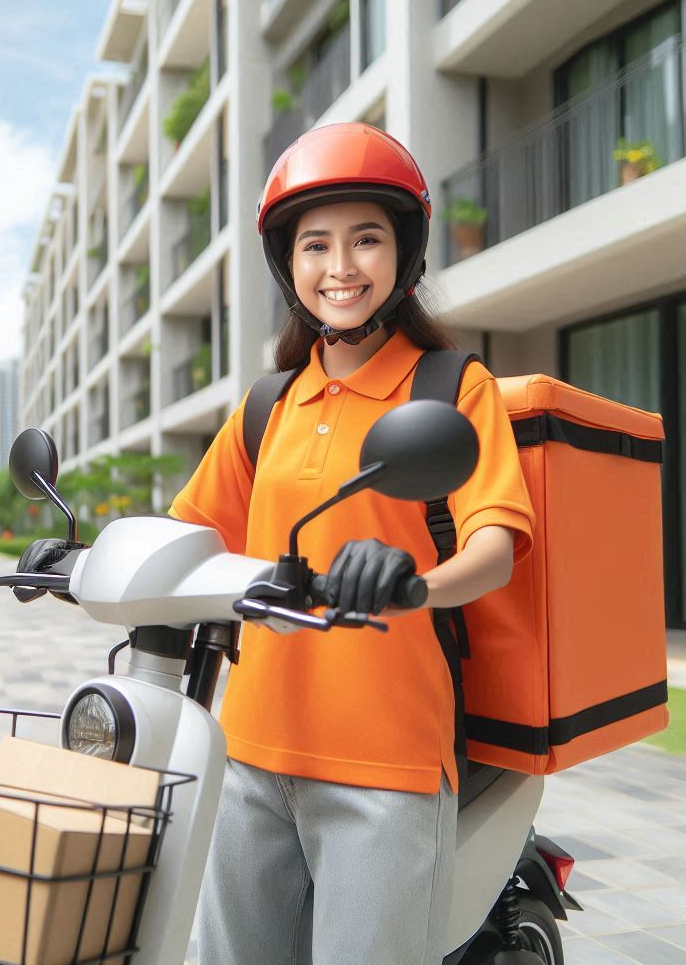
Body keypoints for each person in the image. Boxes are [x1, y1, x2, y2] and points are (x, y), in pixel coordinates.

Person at [166, 123, 536, 965]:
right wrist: (91, 555)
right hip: (251, 751)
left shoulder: (451, 387)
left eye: (366, 239)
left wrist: (416, 580)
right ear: (288, 265)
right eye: (316, 244)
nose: (340, 266)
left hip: (387, 764)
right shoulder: (269, 405)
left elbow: (494, 544)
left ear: (403, 255)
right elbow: (189, 530)